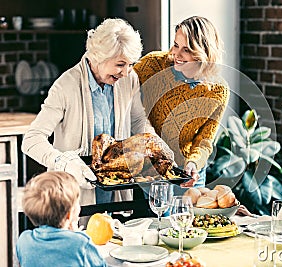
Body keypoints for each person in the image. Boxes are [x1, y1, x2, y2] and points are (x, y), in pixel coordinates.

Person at [21, 18, 172, 207]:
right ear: (98, 56)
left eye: (130, 64)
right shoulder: (65, 86)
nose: (126, 72)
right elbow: (32, 140)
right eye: (120, 65)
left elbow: (138, 121)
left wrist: (155, 144)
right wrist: (64, 162)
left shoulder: (128, 79)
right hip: (75, 191)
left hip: (116, 188)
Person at [133, 16, 229, 188]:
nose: (176, 54)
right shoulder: (152, 65)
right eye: (176, 45)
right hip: (149, 170)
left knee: (189, 215)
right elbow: (120, 94)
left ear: (203, 52)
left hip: (188, 172)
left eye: (186, 49)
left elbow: (204, 140)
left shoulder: (218, 91)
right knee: (154, 215)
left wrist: (193, 163)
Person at [16, 171, 106, 267]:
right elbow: (101, 265)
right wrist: (76, 234)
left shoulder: (24, 240)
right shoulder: (81, 243)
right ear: (69, 214)